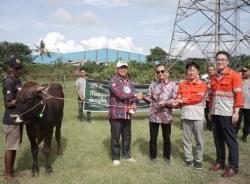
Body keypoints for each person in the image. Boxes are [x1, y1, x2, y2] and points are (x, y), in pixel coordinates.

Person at [208, 51, 243, 177]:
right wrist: (211, 111)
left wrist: (236, 112)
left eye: (223, 59)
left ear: (227, 61)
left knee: (231, 141)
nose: (220, 62)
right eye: (218, 60)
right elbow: (211, 96)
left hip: (228, 114)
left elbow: (239, 95)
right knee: (218, 140)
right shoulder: (214, 77)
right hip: (216, 113)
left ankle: (233, 167)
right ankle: (220, 162)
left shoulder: (234, 76)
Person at [142, 64, 177, 165]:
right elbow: (149, 99)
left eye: (162, 71)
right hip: (154, 116)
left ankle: (167, 158)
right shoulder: (152, 84)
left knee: (167, 138)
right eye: (158, 72)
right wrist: (143, 97)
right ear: (156, 74)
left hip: (166, 116)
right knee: (153, 138)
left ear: (166, 72)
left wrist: (165, 103)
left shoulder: (173, 85)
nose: (160, 73)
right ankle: (153, 158)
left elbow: (175, 100)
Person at [174, 61, 207, 170]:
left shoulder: (202, 84)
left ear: (197, 72)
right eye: (189, 70)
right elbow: (178, 97)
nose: (191, 72)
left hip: (197, 116)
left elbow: (198, 98)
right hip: (185, 115)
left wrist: (183, 100)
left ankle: (198, 160)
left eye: (193, 70)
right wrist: (177, 102)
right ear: (186, 72)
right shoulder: (182, 84)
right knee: (186, 139)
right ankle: (188, 159)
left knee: (199, 140)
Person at [109, 60, 141, 166]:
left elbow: (135, 95)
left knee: (127, 136)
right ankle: (116, 158)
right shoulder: (113, 81)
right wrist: (135, 95)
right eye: (121, 67)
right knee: (115, 137)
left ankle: (127, 156)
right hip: (116, 114)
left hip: (127, 114)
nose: (123, 69)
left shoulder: (129, 82)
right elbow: (121, 95)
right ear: (116, 69)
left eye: (125, 68)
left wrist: (136, 103)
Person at [2, 57, 23, 180]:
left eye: (20, 68)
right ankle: (8, 175)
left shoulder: (18, 80)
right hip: (11, 119)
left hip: (18, 119)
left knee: (15, 147)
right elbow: (8, 103)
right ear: (11, 69)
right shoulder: (8, 82)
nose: (19, 70)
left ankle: (12, 170)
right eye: (16, 68)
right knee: (10, 148)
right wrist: (22, 99)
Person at [235, 65, 250, 142]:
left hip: (249, 105)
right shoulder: (239, 80)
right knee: (237, 120)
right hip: (239, 105)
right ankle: (234, 133)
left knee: (247, 122)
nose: (244, 73)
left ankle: (245, 135)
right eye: (243, 71)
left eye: (246, 71)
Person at [204, 64, 216, 131]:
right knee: (206, 114)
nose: (210, 71)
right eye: (209, 70)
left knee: (213, 113)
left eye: (212, 70)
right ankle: (208, 124)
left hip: (214, 99)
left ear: (214, 70)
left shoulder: (217, 78)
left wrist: (210, 84)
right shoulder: (206, 79)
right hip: (206, 99)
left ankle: (212, 126)